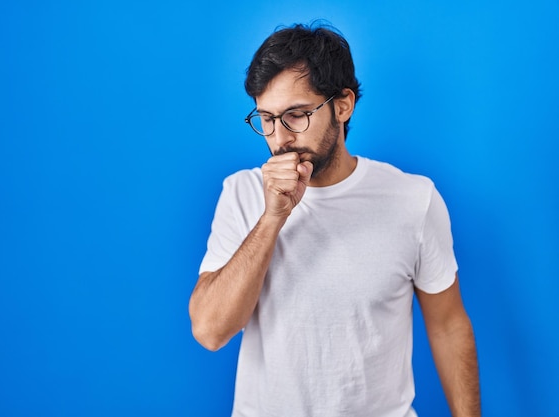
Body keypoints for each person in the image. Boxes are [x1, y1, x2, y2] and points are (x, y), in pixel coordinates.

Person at [189, 22, 480, 417]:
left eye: (296, 115)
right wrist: (273, 217)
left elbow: (448, 325)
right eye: (267, 119)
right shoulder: (241, 193)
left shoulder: (414, 198)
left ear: (342, 105)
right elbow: (209, 331)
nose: (280, 138)